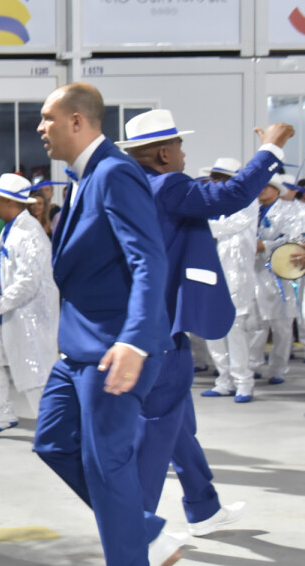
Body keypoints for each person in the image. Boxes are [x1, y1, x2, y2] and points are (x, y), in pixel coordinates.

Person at [32, 83, 173, 566]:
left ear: (76, 121)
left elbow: (149, 260)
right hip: (81, 347)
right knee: (51, 441)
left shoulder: (114, 173)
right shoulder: (86, 177)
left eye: (46, 118)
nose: (40, 128)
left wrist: (135, 340)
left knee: (107, 468)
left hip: (115, 349)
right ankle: (146, 532)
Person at [120, 110, 292, 544]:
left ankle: (203, 507)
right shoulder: (168, 185)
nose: (182, 152)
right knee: (160, 421)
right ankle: (135, 529)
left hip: (146, 321)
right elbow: (230, 195)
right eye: (178, 145)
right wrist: (271, 148)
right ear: (163, 152)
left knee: (174, 419)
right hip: (160, 330)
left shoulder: (132, 184)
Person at [0, 174, 58, 439]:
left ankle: (52, 429)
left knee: (35, 372)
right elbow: (0, 268)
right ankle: (1, 415)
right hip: (7, 310)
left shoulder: (29, 233)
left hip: (30, 315)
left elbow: (27, 284)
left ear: (9, 201)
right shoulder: (10, 228)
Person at [203, 158, 258, 401]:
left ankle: (243, 381)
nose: (217, 182)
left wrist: (195, 221)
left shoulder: (248, 200)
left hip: (238, 274)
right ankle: (223, 379)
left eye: (222, 177)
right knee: (212, 328)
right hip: (212, 273)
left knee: (235, 329)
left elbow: (227, 227)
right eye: (215, 177)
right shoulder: (209, 202)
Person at [250, 174, 303, 384]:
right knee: (255, 322)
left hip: (280, 273)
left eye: (267, 186)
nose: (262, 190)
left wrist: (265, 245)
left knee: (281, 324)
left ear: (276, 190)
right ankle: (252, 365)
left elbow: (293, 238)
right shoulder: (251, 210)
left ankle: (278, 369)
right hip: (254, 272)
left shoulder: (290, 211)